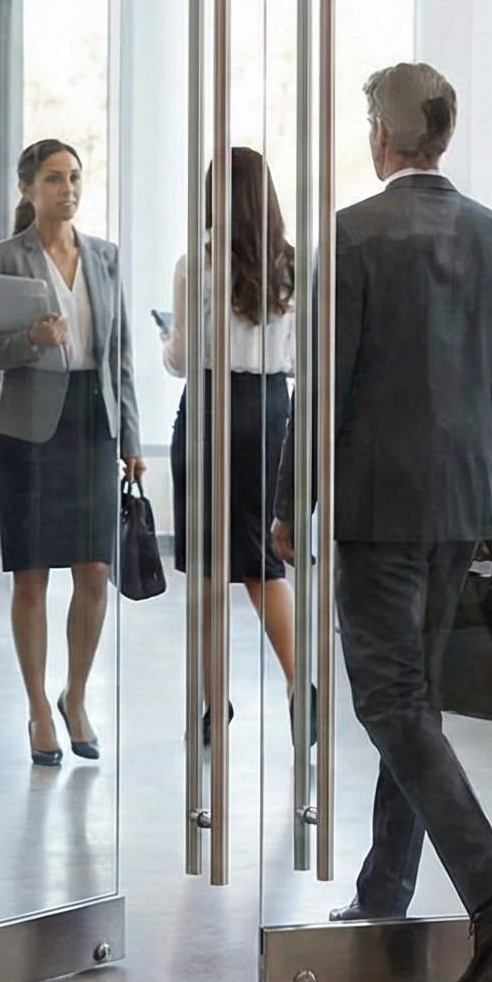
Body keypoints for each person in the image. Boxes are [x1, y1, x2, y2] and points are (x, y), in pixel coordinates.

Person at [270, 62, 492, 982]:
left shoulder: (351, 235)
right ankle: (385, 891)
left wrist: (287, 503)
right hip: (463, 506)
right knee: (415, 700)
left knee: (390, 705)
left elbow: (324, 389)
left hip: (380, 510)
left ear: (382, 136)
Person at [0, 139, 143, 768]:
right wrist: (29, 339)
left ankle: (76, 695)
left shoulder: (105, 258)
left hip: (91, 426)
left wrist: (129, 437)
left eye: (73, 177)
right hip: (28, 432)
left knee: (95, 571)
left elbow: (120, 354)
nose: (66, 189)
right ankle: (39, 707)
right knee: (33, 578)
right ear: (28, 189)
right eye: (52, 178)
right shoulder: (5, 257)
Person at [164, 147, 303, 741]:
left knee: (207, 567)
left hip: (210, 412)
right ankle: (301, 686)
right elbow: (300, 357)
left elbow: (181, 359)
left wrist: (165, 342)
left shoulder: (197, 263)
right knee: (261, 561)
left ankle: (214, 706)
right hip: (274, 412)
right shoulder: (294, 267)